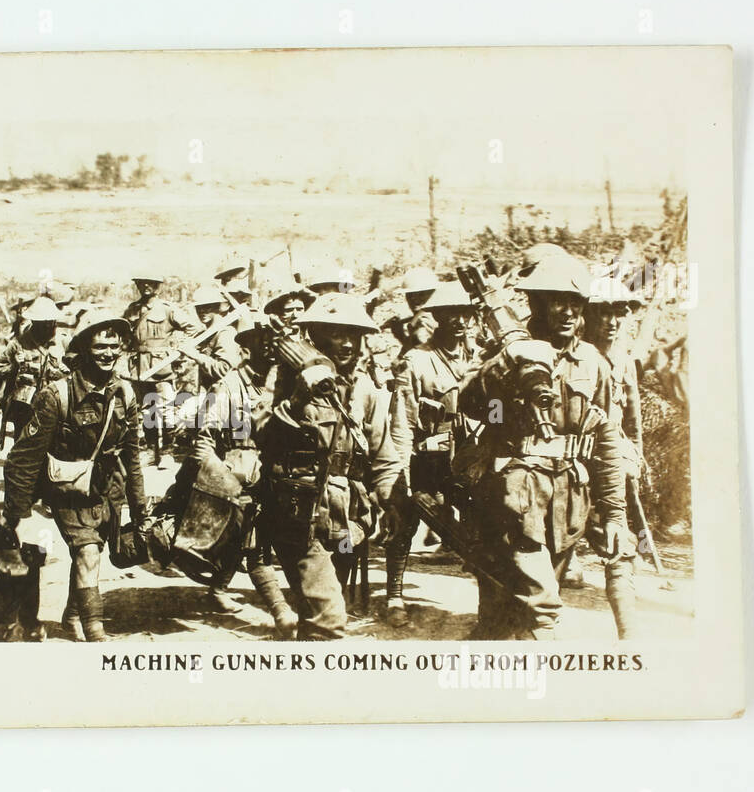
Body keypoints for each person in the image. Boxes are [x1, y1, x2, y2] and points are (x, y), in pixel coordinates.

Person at [455, 250, 631, 640]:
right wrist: (503, 370)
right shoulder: (505, 354)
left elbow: (607, 442)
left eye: (575, 303)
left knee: (506, 616)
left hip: (568, 505)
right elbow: (476, 408)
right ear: (536, 303)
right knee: (541, 611)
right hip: (513, 501)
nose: (568, 312)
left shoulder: (591, 362)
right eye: (557, 301)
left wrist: (615, 515)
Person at [0, 310, 147, 643]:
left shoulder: (127, 394)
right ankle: (95, 627)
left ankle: (73, 616)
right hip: (69, 490)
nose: (107, 354)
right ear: (83, 349)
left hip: (109, 490)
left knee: (92, 553)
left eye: (114, 347)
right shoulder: (56, 395)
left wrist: (140, 508)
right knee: (88, 552)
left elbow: (132, 456)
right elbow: (23, 458)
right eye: (99, 346)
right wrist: (14, 513)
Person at [258, 295, 404, 640]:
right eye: (337, 332)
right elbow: (259, 432)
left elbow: (382, 452)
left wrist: (392, 502)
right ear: (314, 333)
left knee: (320, 609)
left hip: (347, 522)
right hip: (298, 514)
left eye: (354, 333)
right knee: (330, 616)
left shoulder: (364, 387)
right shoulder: (285, 376)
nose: (348, 342)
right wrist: (297, 400)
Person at [383, 280, 483, 626]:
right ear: (436, 317)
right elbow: (402, 419)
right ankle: (394, 595)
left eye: (465, 313)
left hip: (471, 459)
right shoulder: (417, 360)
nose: (459, 321)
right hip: (429, 457)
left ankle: (491, 601)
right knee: (404, 518)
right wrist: (400, 470)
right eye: (450, 313)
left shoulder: (480, 359)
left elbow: (496, 410)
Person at [190, 311, 296, 636]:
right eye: (260, 344)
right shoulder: (228, 387)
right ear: (246, 349)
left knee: (255, 539)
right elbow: (203, 440)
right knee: (255, 543)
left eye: (271, 344)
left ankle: (219, 589)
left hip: (275, 472)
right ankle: (281, 612)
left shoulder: (281, 384)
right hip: (237, 473)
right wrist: (220, 481)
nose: (268, 351)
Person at [583, 272, 645, 636]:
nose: (612, 321)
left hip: (612, 465)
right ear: (586, 315)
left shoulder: (623, 361)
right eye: (603, 312)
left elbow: (632, 418)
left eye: (619, 312)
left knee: (620, 544)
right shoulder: (573, 358)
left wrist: (635, 454)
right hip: (575, 463)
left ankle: (629, 633)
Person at [123, 273, 201, 468]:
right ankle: (151, 450)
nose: (146, 286)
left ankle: (167, 451)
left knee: (166, 411)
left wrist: (180, 350)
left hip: (162, 368)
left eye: (150, 283)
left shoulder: (167, 309)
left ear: (158, 286)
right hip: (139, 368)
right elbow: (123, 334)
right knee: (147, 410)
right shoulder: (132, 309)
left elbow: (195, 328)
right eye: (142, 283)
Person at [0, 295, 66, 443]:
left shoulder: (63, 342)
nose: (49, 326)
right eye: (44, 323)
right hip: (25, 409)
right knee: (23, 449)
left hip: (56, 407)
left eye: (52, 322)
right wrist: (14, 366)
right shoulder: (18, 344)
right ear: (34, 322)